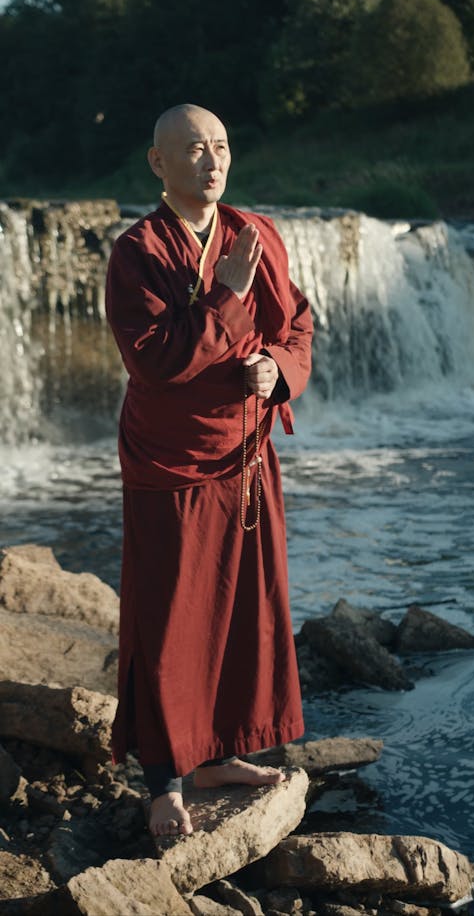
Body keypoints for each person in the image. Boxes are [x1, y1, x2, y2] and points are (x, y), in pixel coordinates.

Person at [105, 103, 313, 837]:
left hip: (248, 454)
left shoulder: (258, 232)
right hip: (172, 461)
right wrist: (225, 294)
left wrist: (279, 370)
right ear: (159, 163)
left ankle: (224, 751)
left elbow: (297, 322)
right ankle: (165, 779)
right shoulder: (137, 252)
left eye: (221, 146)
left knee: (247, 610)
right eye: (193, 149)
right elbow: (157, 361)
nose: (212, 161)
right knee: (170, 618)